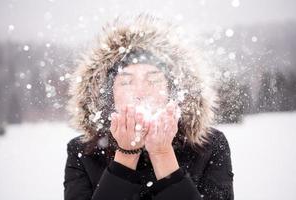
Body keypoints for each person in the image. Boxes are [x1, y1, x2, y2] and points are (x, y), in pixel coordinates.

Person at [64, 13, 234, 200]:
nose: (141, 92)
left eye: (153, 80)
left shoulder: (208, 145)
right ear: (107, 95)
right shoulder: (84, 151)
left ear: (172, 90)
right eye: (126, 82)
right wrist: (126, 155)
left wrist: (162, 154)